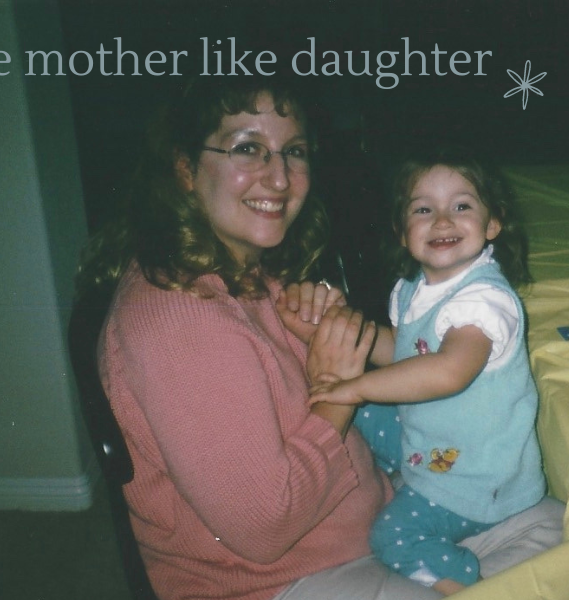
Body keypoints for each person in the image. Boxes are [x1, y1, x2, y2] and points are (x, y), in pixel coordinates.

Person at [76, 78, 446, 600]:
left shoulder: (234, 266)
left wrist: (316, 336)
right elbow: (264, 527)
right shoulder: (181, 321)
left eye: (293, 152)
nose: (279, 178)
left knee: (546, 519)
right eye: (248, 148)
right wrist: (338, 386)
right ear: (184, 168)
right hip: (274, 582)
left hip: (354, 523)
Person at [308, 148, 564, 595]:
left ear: (492, 224)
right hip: (436, 437)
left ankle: (464, 582)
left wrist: (355, 387)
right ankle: (394, 472)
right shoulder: (412, 288)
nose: (442, 221)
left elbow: (447, 372)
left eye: (461, 206)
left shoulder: (483, 302)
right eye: (423, 209)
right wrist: (339, 332)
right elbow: (401, 351)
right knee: (364, 413)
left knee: (392, 538)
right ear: (401, 229)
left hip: (479, 477)